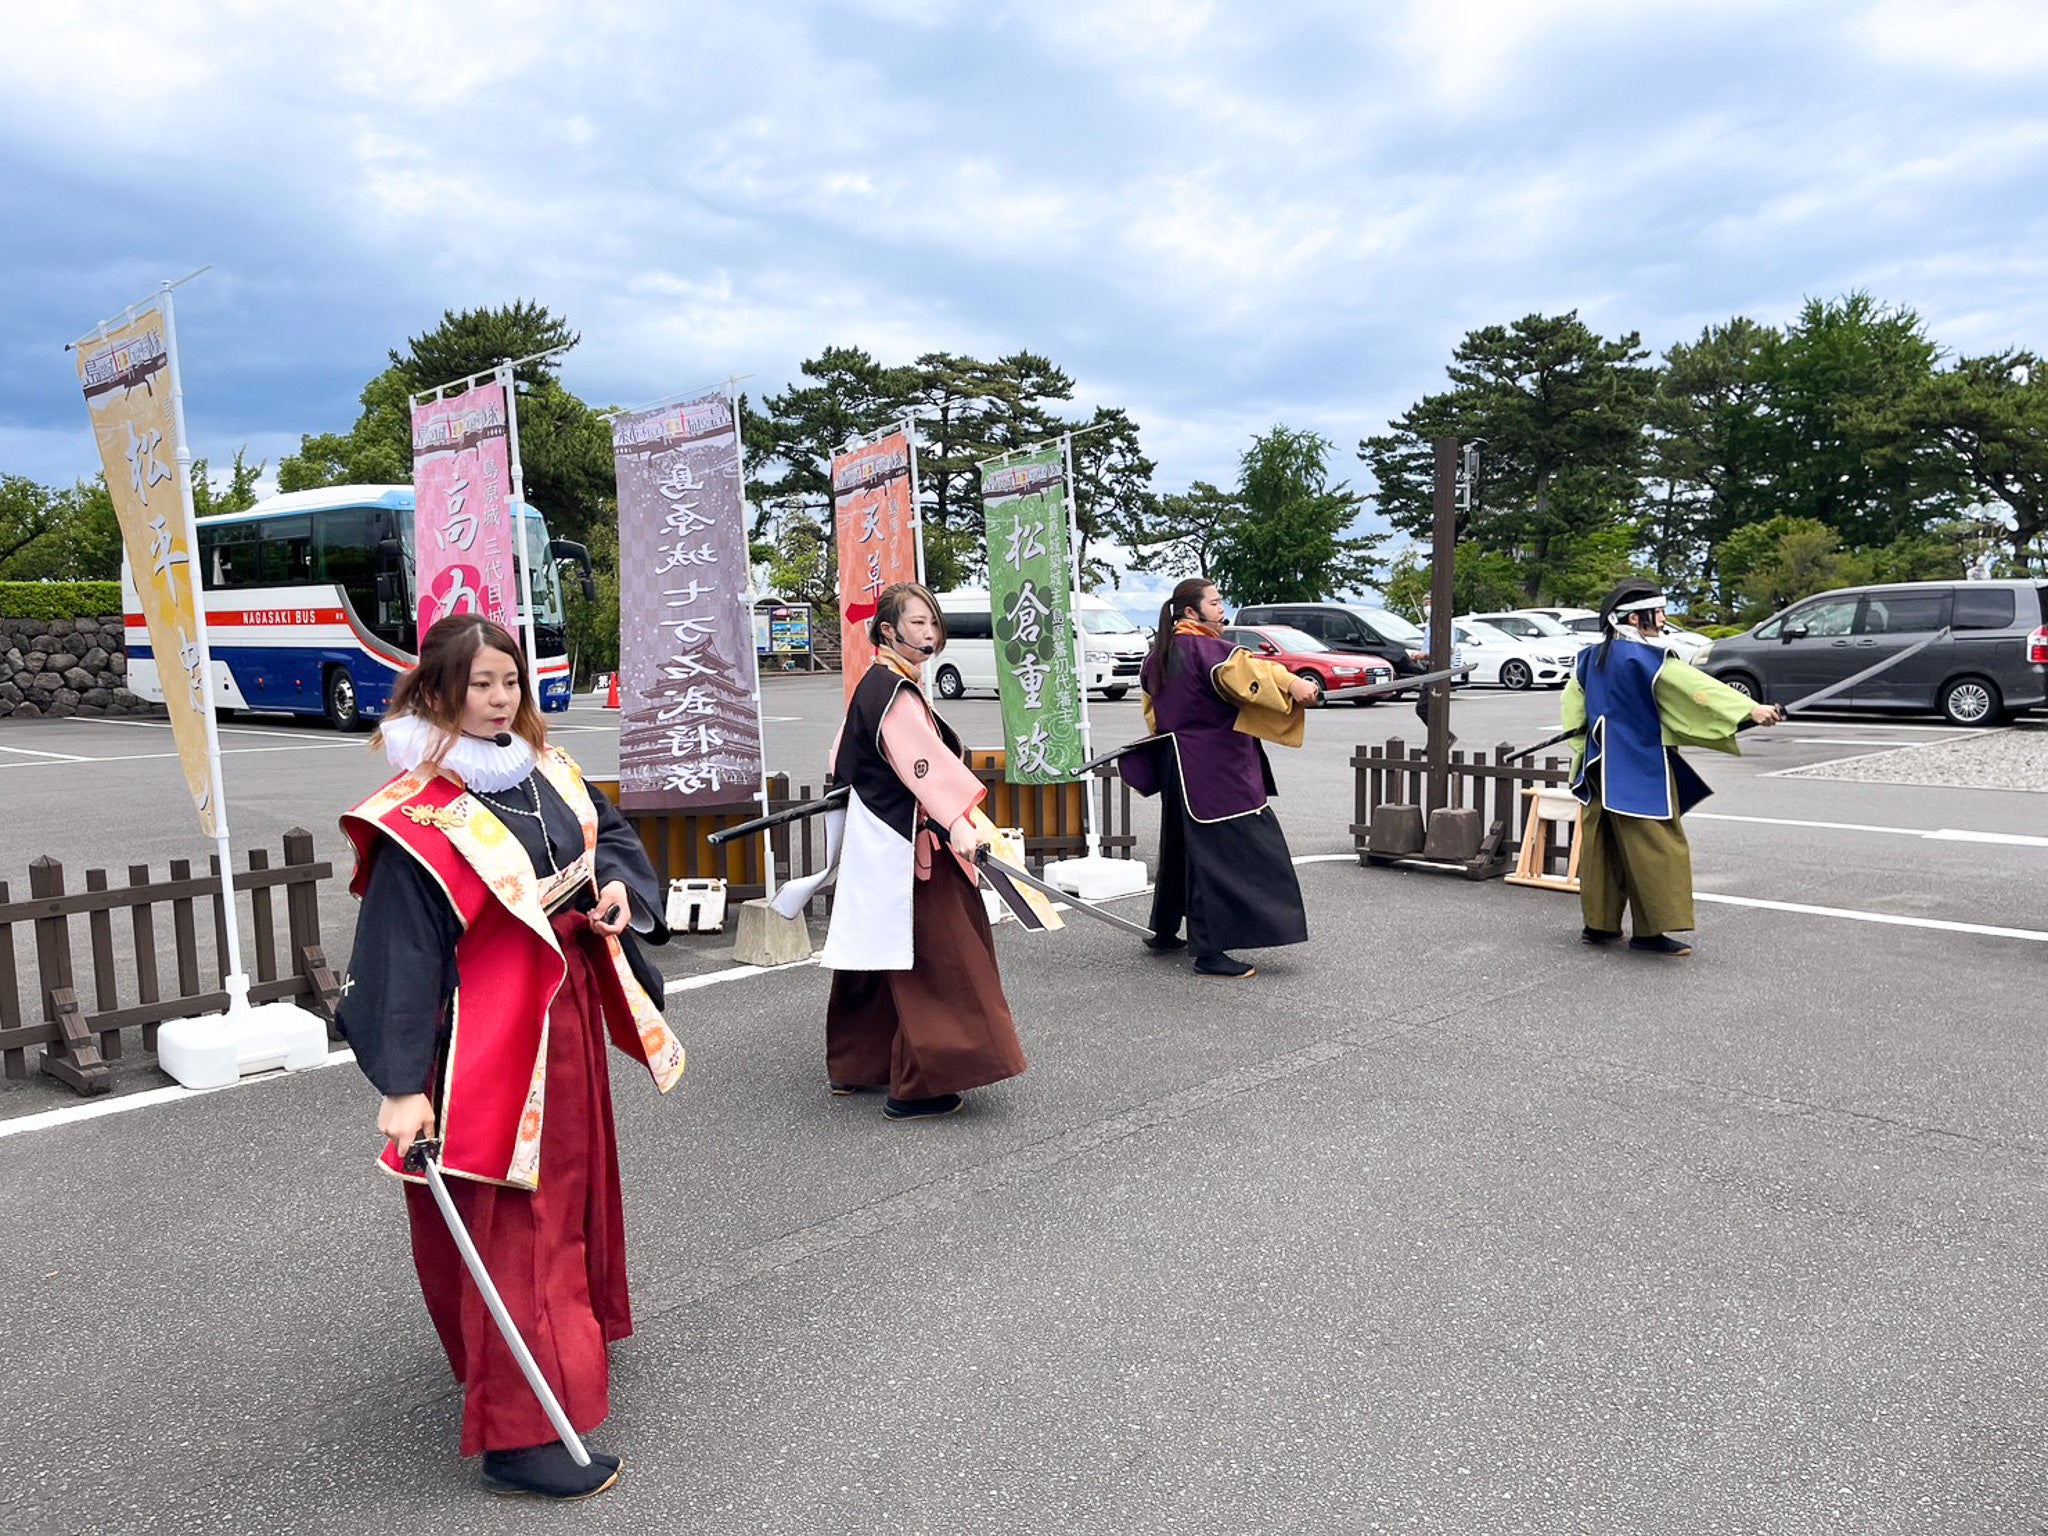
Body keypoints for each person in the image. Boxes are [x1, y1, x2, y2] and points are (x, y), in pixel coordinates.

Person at [336, 614, 685, 1501]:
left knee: (567, 1196)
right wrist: (402, 1085)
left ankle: (560, 1351)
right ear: (437, 692)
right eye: (480, 685)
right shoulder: (417, 815)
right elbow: (401, 955)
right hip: (481, 1046)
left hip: (562, 1015)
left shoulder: (550, 770)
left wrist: (617, 890)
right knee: (514, 1222)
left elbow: (612, 841)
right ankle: (521, 1434)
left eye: (510, 683)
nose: (499, 701)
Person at [772, 581, 1026, 1120]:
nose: (929, 632)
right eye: (917, 623)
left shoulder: (878, 685)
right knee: (942, 961)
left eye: (932, 622)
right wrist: (958, 820)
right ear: (888, 630)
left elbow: (841, 753)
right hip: (909, 844)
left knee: (876, 952)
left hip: (878, 840)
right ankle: (921, 1085)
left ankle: (859, 1065)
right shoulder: (894, 692)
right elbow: (923, 767)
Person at [1561, 579, 1783, 957]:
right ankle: (1650, 932)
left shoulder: (1588, 659)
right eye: (1658, 612)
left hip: (1598, 764)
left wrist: (1584, 748)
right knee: (1658, 846)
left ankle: (1598, 926)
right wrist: (1749, 710)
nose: (1663, 619)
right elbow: (1697, 690)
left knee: (1603, 846)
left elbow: (1572, 710)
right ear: (1634, 617)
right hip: (1638, 767)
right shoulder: (1648, 661)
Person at [1120, 578, 1317, 979]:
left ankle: (1164, 931)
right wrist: (1296, 685)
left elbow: (1153, 715)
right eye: (1214, 602)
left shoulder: (1156, 655)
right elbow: (1252, 673)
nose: (1221, 608)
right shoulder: (1208, 649)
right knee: (1228, 856)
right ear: (1192, 613)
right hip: (1215, 769)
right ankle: (1209, 952)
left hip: (1177, 764)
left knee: (1183, 847)